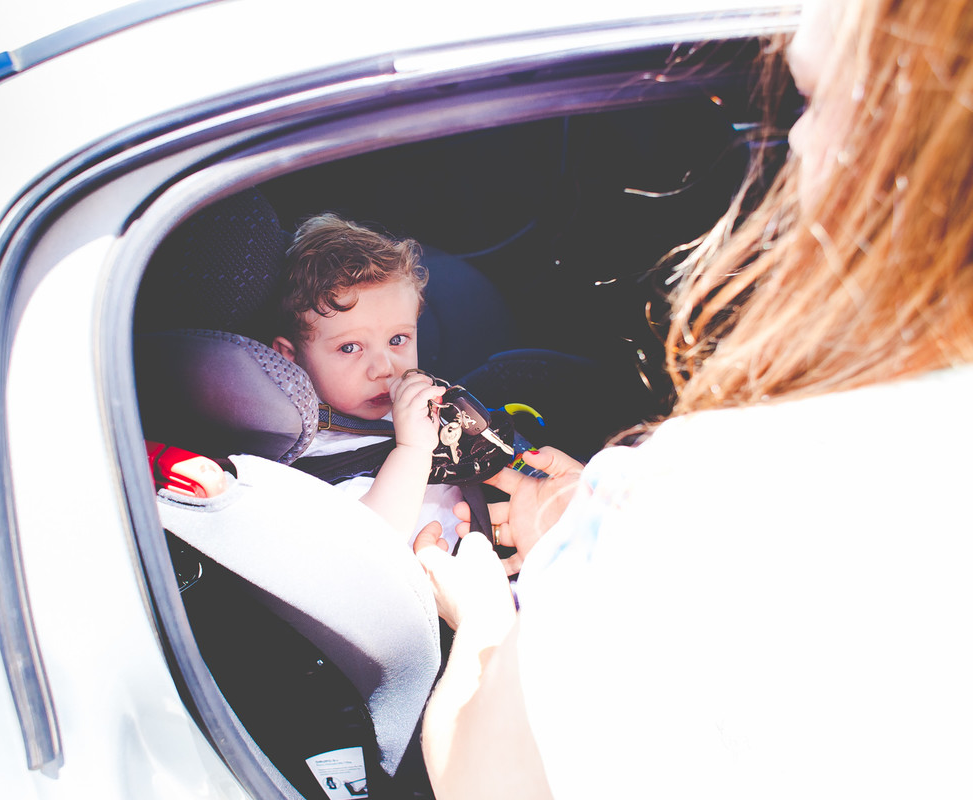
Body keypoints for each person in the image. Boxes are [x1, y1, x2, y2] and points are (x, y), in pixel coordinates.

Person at [414, 0, 973, 796]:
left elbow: (482, 780)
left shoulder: (706, 499)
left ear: (910, 156)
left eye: (809, 101)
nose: (793, 148)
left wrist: (491, 616)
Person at [271, 213, 457, 546]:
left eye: (398, 339)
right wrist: (413, 450)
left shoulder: (416, 400)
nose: (384, 368)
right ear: (291, 357)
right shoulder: (312, 456)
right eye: (350, 347)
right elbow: (368, 554)